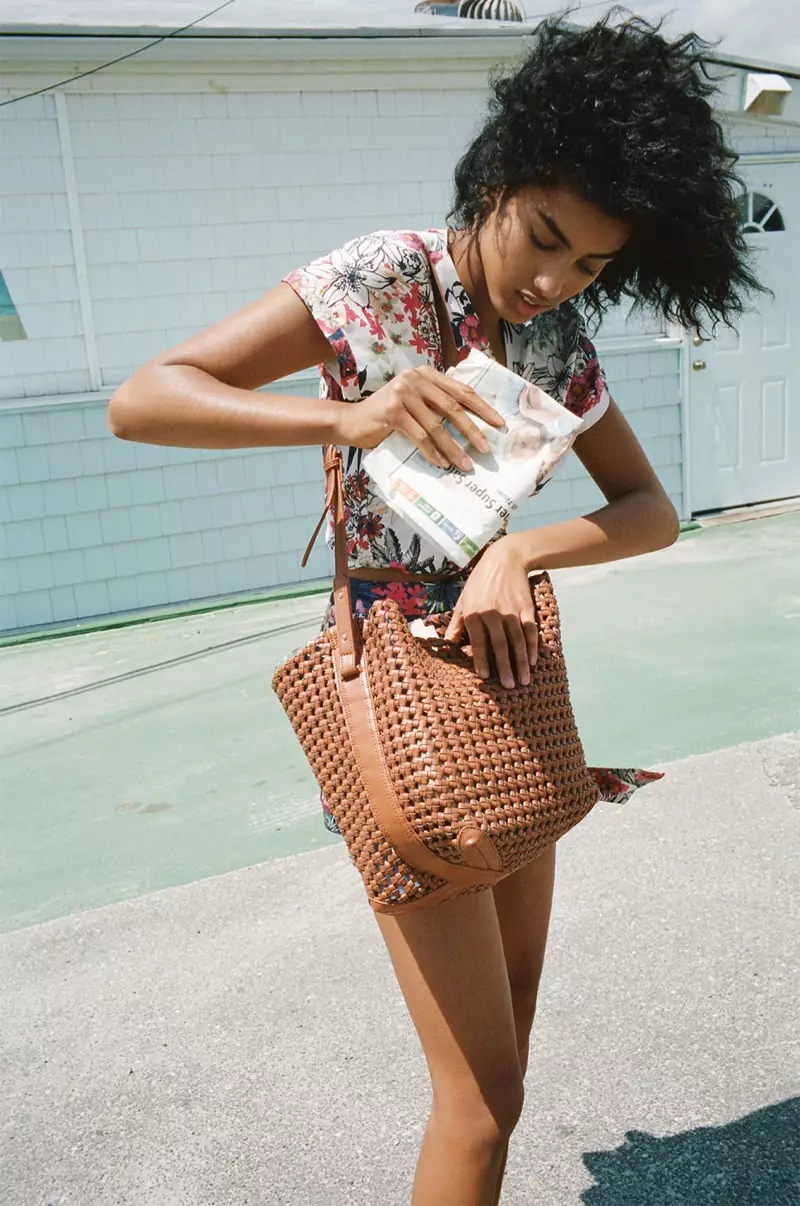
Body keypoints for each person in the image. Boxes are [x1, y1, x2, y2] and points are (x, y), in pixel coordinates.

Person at [109, 12, 762, 1204]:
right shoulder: (377, 280)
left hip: (509, 685)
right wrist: (345, 414)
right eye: (544, 236)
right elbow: (146, 398)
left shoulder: (558, 337)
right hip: (394, 696)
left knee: (502, 1079)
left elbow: (648, 509)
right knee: (472, 1102)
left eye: (592, 265)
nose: (552, 279)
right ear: (503, 176)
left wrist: (526, 557)